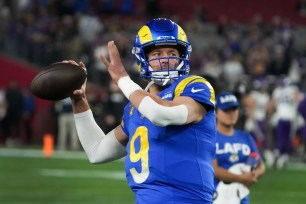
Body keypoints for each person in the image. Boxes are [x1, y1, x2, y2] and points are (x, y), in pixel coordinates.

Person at [68, 18, 217, 203]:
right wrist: (79, 100)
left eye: (172, 52)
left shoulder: (194, 86)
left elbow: (162, 114)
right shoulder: (134, 108)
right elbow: (96, 152)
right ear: (143, 58)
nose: (166, 60)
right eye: (157, 54)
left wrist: (122, 79)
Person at [213, 92, 265, 204]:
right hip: (217, 195)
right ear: (216, 112)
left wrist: (253, 175)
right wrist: (242, 178)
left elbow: (261, 165)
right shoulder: (211, 137)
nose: (231, 114)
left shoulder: (246, 137)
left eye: (234, 109)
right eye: (226, 110)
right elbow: (214, 170)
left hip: (242, 196)